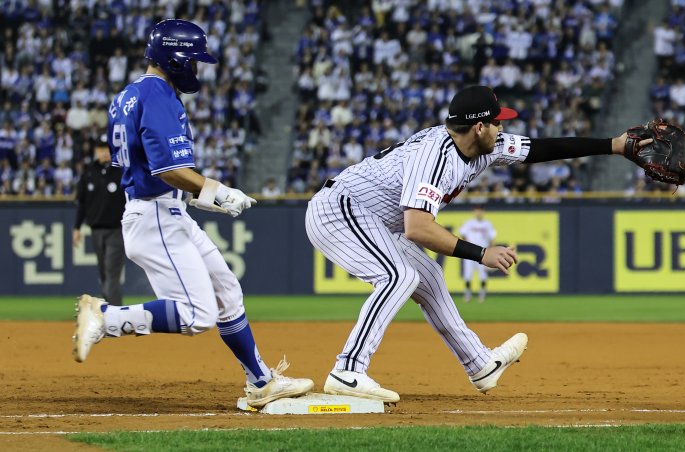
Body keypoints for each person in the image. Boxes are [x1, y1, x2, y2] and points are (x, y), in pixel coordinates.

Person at [305, 85, 654, 402]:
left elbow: (542, 148)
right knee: (399, 276)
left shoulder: (486, 146)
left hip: (375, 219)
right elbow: (418, 228)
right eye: (497, 122)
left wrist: (615, 146)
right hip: (340, 209)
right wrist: (481, 254)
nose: (502, 128)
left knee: (428, 278)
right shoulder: (434, 157)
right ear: (479, 127)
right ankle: (347, 371)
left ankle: (480, 364)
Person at [71, 19, 313, 408]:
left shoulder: (128, 95)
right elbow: (166, 169)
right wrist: (215, 192)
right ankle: (105, 317)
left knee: (227, 293)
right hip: (155, 217)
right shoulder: (158, 95)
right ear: (176, 58)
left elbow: (147, 166)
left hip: (163, 211)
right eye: (194, 60)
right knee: (197, 315)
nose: (197, 67)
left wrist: (200, 196)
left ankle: (261, 381)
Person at [73, 141, 126, 306]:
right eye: (101, 149)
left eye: (107, 149)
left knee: (111, 272)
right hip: (96, 230)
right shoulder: (89, 172)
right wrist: (76, 227)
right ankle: (109, 312)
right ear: (95, 151)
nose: (104, 153)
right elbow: (82, 203)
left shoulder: (121, 171)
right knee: (104, 272)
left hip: (117, 230)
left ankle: (114, 313)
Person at [459, 205, 495, 303]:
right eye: (477, 211)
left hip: (482, 253)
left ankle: (482, 294)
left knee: (483, 275)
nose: (479, 213)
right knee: (468, 274)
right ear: (474, 212)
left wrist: (491, 251)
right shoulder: (469, 223)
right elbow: (463, 234)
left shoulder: (487, 224)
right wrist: (466, 247)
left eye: (480, 211)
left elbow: (492, 239)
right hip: (469, 253)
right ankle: (468, 293)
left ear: (483, 212)